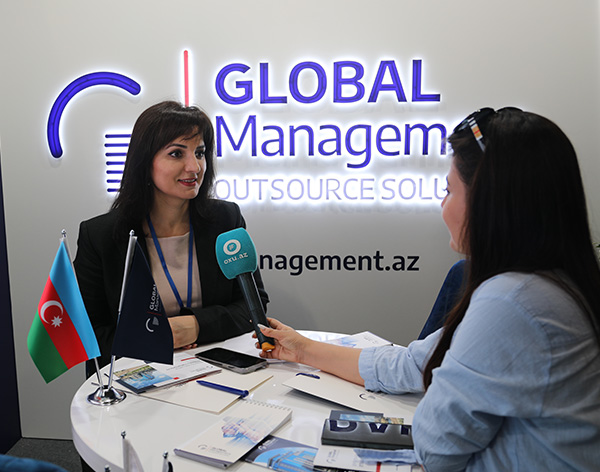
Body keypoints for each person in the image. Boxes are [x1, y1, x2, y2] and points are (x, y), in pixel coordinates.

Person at [255, 107, 600, 471]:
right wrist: (303, 349)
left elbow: (436, 447)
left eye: (449, 190)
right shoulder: (551, 284)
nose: (442, 204)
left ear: (488, 202)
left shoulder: (511, 302)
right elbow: (413, 363)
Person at [74, 100, 269, 373]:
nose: (194, 166)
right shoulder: (101, 236)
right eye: (176, 154)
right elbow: (89, 333)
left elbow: (253, 307)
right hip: (138, 378)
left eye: (199, 153)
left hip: (217, 372)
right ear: (145, 162)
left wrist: (195, 326)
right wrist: (158, 338)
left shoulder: (225, 219)